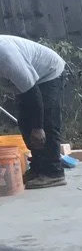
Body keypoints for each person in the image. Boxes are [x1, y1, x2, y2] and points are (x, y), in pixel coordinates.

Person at [0, 35, 67, 189]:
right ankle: (38, 169)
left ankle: (53, 172)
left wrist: (38, 127)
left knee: (45, 124)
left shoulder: (6, 56)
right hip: (24, 83)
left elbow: (32, 91)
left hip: (48, 73)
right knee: (25, 122)